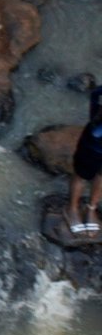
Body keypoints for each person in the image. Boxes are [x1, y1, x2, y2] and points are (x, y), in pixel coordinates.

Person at [66, 80, 102, 236]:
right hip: (94, 144)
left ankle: (91, 208)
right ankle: (72, 209)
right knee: (81, 175)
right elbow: (96, 94)